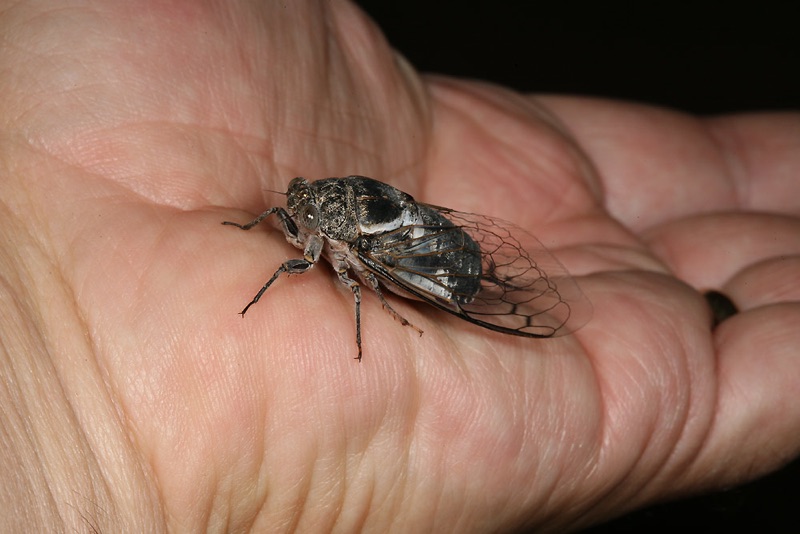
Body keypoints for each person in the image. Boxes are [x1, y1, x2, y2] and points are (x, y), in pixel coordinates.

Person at [1, 1, 797, 531]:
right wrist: (68, 396)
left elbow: (335, 269)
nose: (297, 217)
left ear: (324, 215)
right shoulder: (303, 212)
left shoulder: (332, 244)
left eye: (307, 211)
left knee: (386, 278)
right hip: (400, 221)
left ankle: (451, 279)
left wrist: (362, 300)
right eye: (297, 209)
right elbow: (282, 217)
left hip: (419, 252)